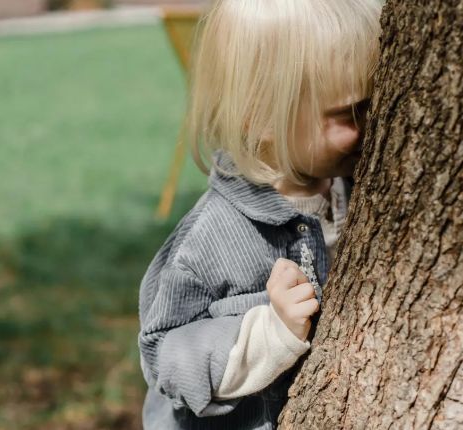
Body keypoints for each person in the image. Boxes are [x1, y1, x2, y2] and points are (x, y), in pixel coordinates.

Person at [138, 0, 382, 428]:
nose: (374, 122)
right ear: (263, 116)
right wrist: (269, 330)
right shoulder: (212, 237)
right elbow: (165, 355)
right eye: (350, 113)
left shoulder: (347, 183)